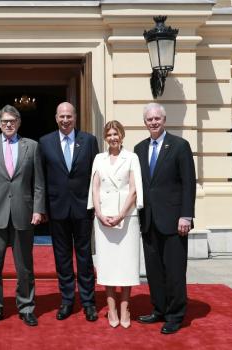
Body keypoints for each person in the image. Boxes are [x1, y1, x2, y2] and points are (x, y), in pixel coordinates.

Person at [0, 105, 46, 327]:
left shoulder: (32, 146)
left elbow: (38, 182)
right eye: (5, 121)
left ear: (18, 123)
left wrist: (38, 209)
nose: (9, 124)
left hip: (23, 213)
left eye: (13, 121)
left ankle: (26, 307)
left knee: (24, 267)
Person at [133, 103, 196, 334]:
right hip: (148, 221)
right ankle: (159, 309)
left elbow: (188, 183)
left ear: (164, 119)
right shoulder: (139, 148)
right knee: (154, 270)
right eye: (149, 119)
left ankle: (176, 314)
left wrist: (186, 215)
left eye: (157, 118)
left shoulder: (180, 146)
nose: (153, 122)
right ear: (145, 122)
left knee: (175, 270)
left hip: (174, 221)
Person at [39, 102, 100, 322]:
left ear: (75, 117)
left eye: (69, 116)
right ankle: (66, 300)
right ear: (56, 118)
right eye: (62, 116)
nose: (65, 120)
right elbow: (41, 178)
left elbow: (97, 176)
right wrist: (42, 208)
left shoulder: (89, 141)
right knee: (62, 258)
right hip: (56, 210)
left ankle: (88, 302)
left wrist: (97, 204)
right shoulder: (45, 143)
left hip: (83, 209)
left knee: (84, 257)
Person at [88, 121, 143, 328]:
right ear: (105, 137)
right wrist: (99, 214)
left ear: (122, 135)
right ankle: (111, 308)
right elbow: (94, 187)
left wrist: (121, 215)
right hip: (103, 219)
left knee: (126, 265)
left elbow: (134, 189)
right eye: (109, 134)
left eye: (116, 133)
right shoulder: (98, 158)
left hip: (127, 218)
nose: (113, 137)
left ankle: (125, 308)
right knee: (108, 266)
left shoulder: (132, 157)